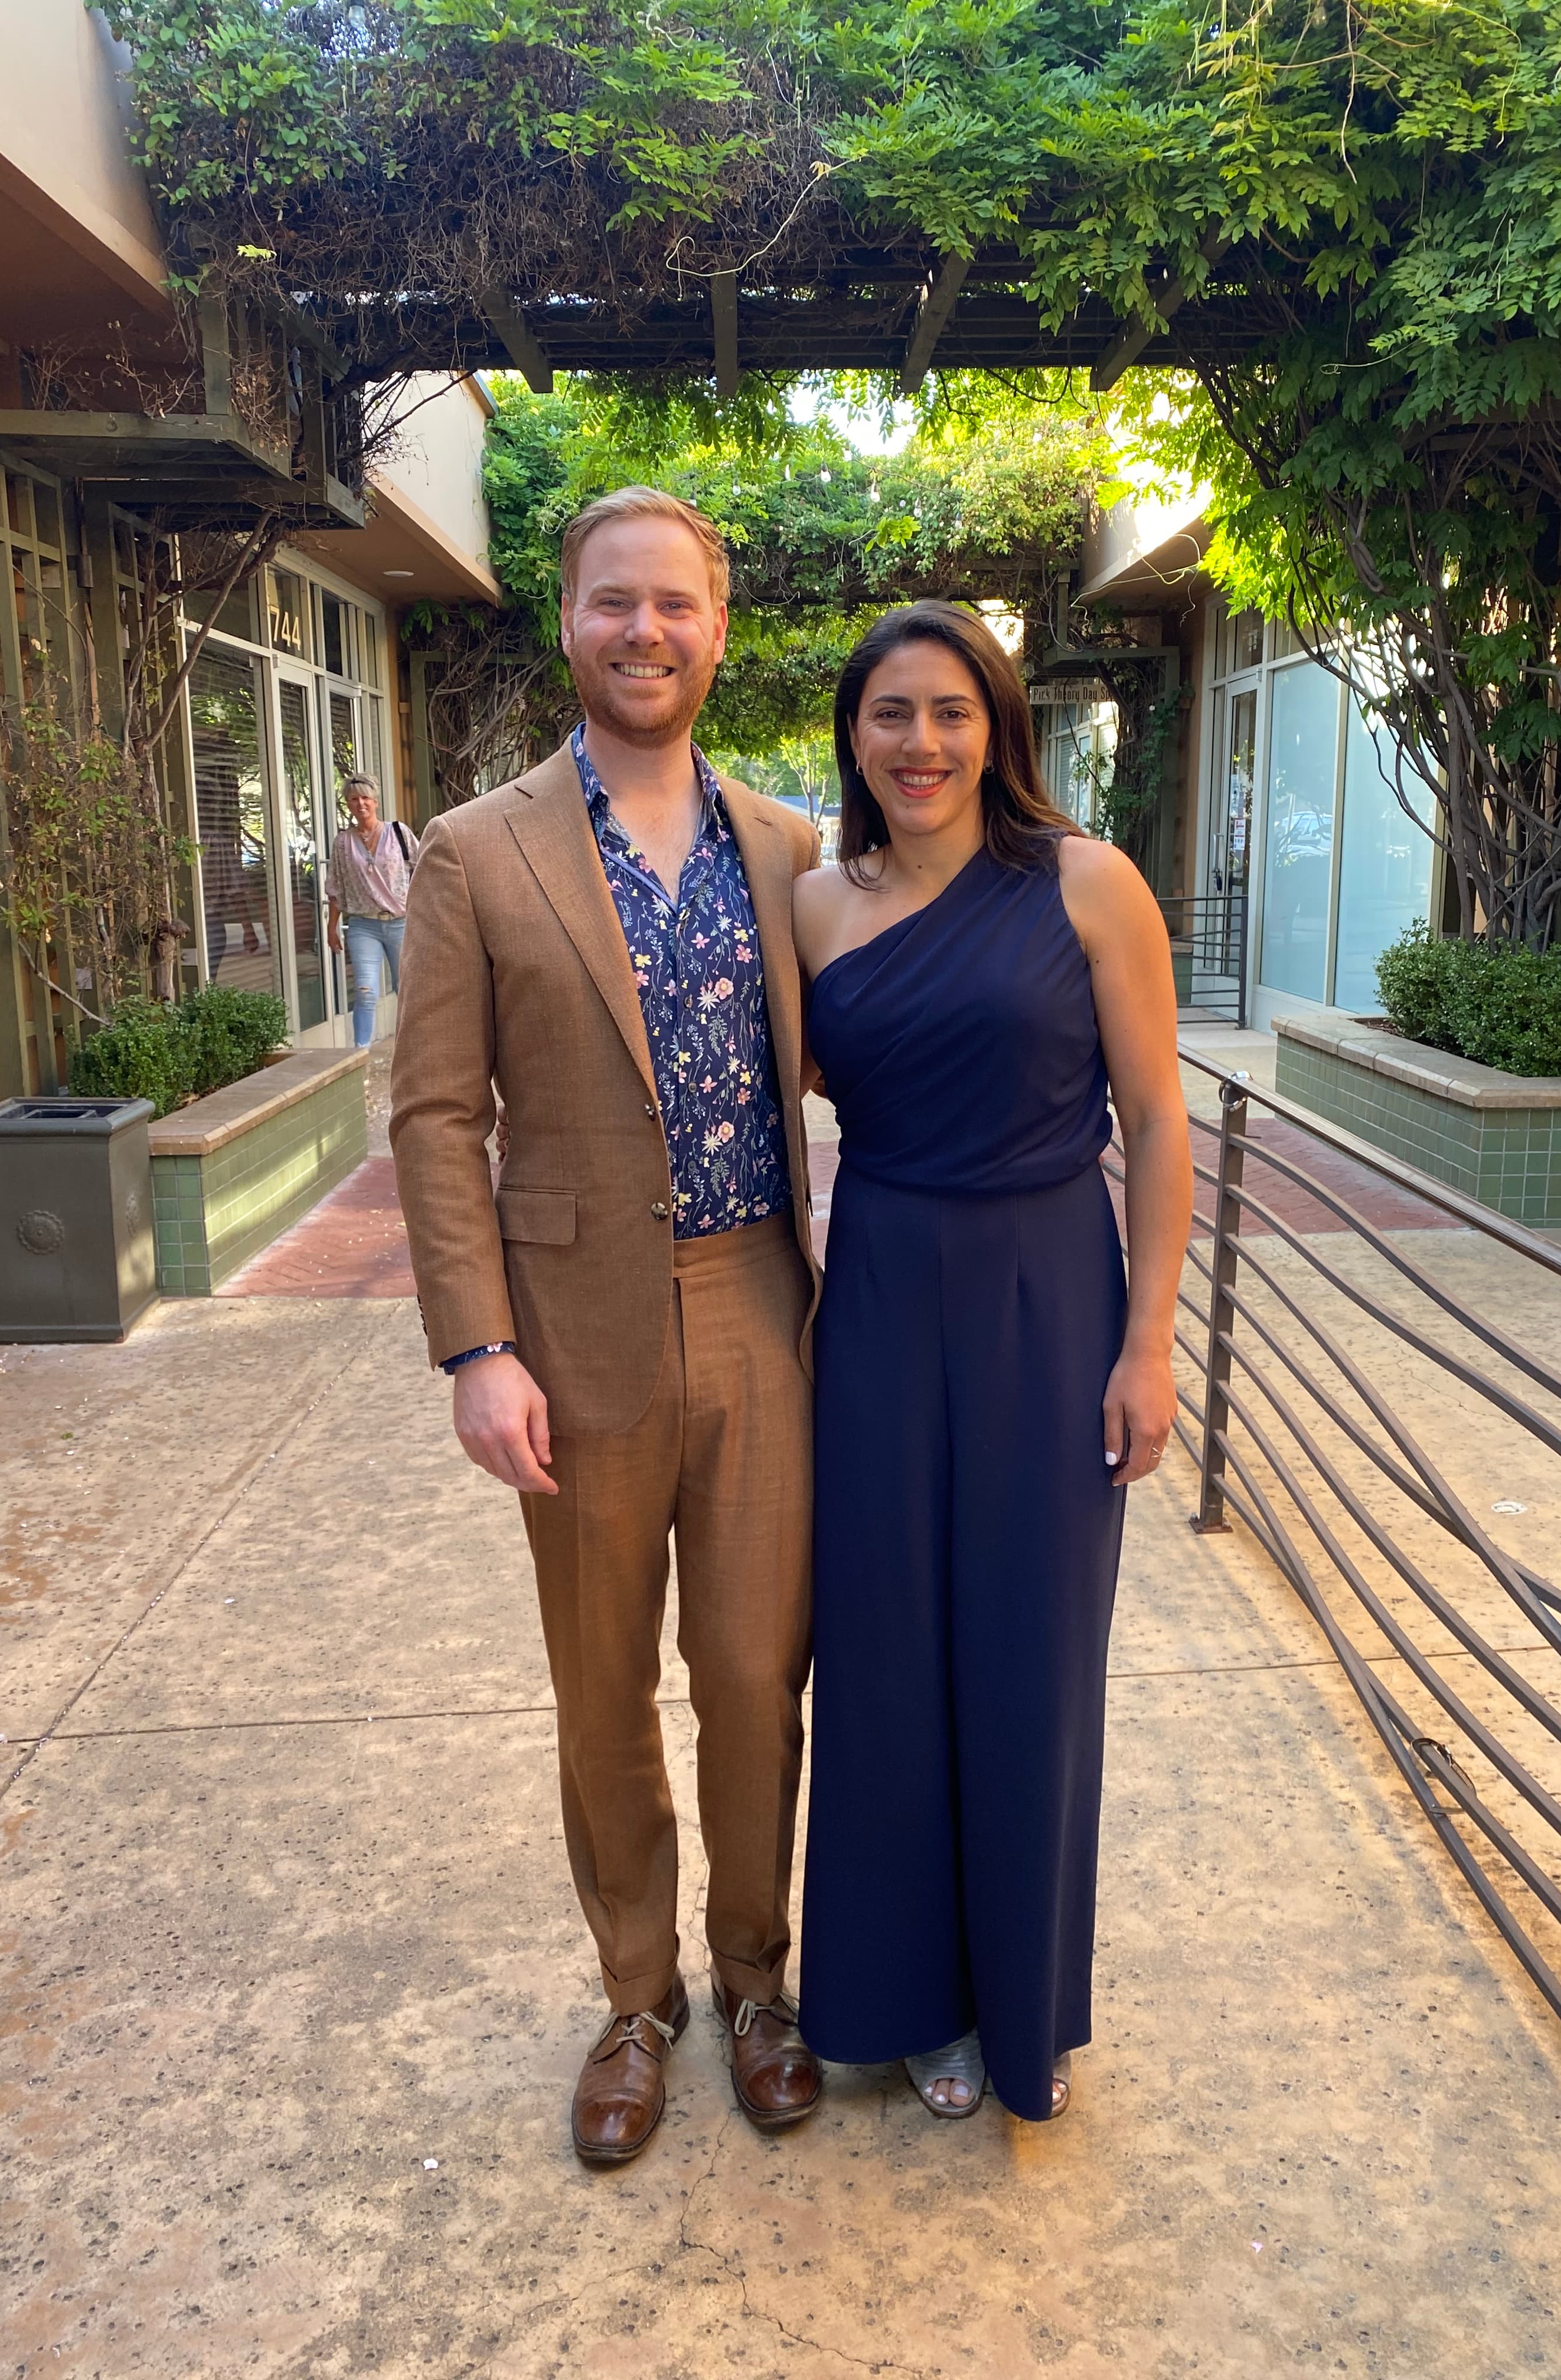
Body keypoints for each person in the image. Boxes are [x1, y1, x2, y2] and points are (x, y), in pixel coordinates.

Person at [389, 487, 825, 2166]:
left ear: (720, 628)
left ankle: (756, 1981)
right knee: (600, 1694)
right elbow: (435, 1115)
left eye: (677, 605)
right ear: (565, 621)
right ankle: (637, 2001)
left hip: (761, 1309)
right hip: (565, 1335)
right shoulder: (476, 850)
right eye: (613, 603)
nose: (646, 632)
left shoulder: (786, 848)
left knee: (751, 1678)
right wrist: (472, 1345)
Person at [792, 600, 1192, 2124]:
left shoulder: (1089, 885)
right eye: (891, 713)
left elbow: (1157, 1126)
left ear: (999, 726)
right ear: (855, 735)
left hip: (1049, 1295)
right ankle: (915, 2005)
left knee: (1030, 1657)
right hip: (885, 1293)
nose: (922, 742)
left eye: (951, 711)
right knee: (890, 1656)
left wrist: (1147, 1343)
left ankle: (1024, 2008)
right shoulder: (821, 905)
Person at [327, 772, 418, 1047]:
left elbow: (424, 870)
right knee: (365, 991)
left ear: (376, 801)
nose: (361, 804)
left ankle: (412, 1047)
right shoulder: (343, 843)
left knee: (407, 989)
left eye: (366, 798)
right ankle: (360, 1054)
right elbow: (336, 887)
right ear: (348, 805)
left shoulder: (399, 833)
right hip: (363, 926)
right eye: (354, 799)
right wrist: (332, 928)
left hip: (402, 923)